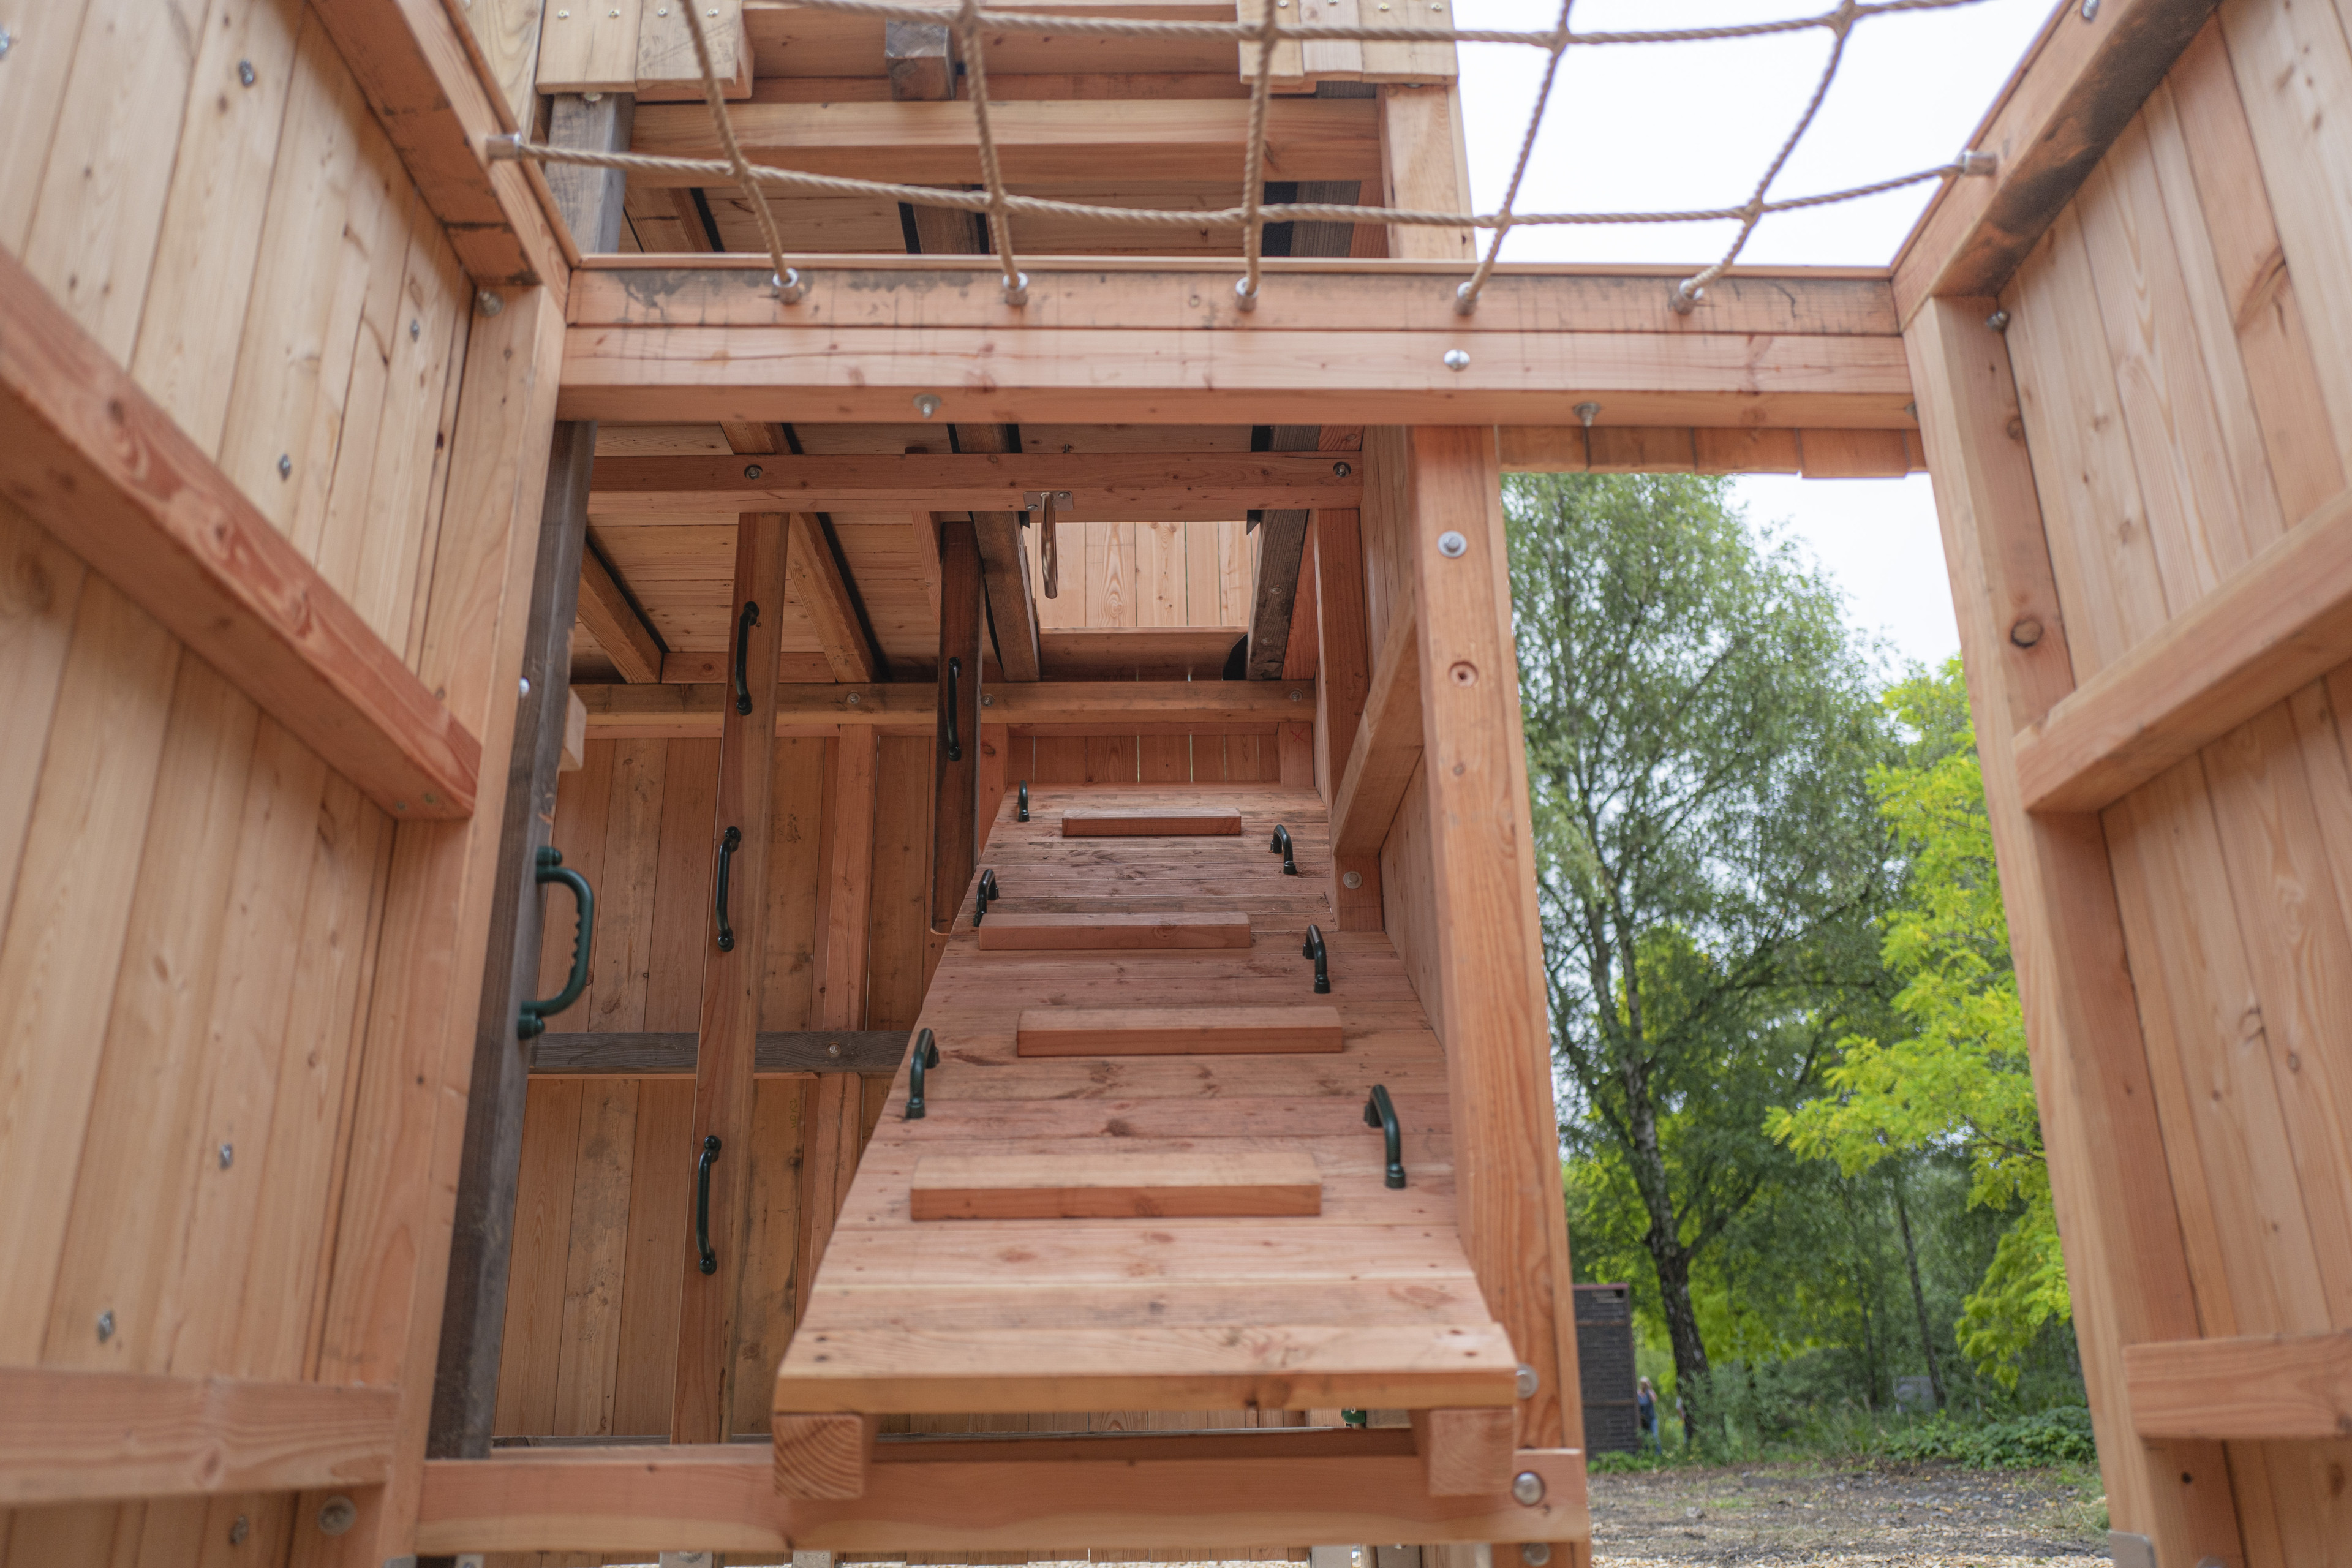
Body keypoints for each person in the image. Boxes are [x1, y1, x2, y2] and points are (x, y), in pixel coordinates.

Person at [1636, 1376, 1659, 1452]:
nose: (1644, 1385)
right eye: (1642, 1384)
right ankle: (1647, 1455)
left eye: (1645, 1384)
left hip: (1652, 1418)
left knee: (1655, 1436)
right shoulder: (1638, 1394)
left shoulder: (1650, 1393)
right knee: (1645, 1439)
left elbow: (1654, 1400)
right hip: (1643, 1420)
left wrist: (1649, 1389)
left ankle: (1658, 1455)